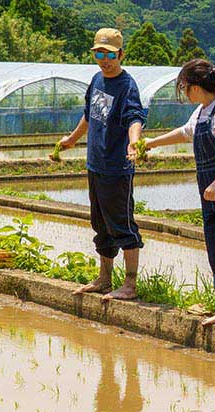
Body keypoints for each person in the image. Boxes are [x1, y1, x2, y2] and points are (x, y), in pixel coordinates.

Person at [144, 59, 215, 330]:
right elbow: (186, 133)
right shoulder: (202, 112)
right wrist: (151, 142)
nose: (184, 93)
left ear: (195, 88)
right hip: (212, 194)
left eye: (184, 88)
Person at [58, 28, 148, 301]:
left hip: (116, 167)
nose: (104, 59)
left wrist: (134, 142)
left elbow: (135, 117)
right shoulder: (97, 79)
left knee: (122, 224)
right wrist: (72, 140)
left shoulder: (127, 85)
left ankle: (130, 284)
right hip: (95, 163)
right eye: (99, 53)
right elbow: (89, 114)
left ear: (120, 54)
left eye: (110, 54)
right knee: (100, 224)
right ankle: (104, 279)